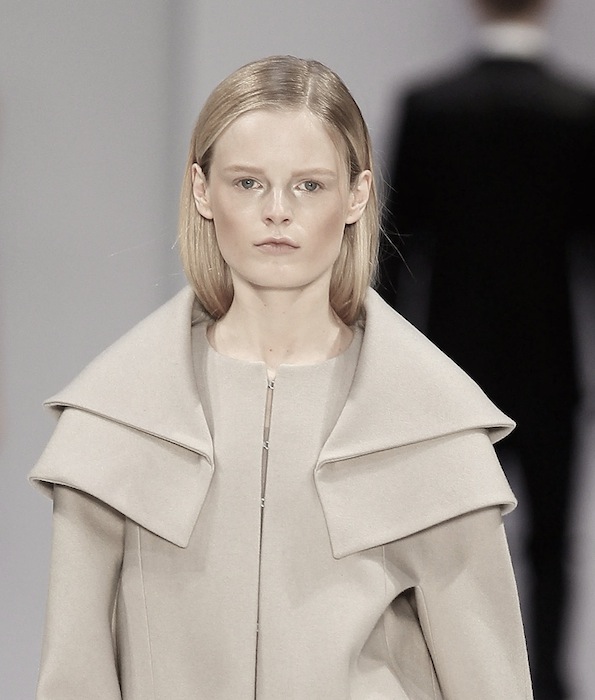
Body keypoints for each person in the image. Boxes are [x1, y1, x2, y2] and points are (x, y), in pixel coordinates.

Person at [30, 55, 533, 699]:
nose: (276, 211)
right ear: (201, 190)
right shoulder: (116, 423)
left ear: (356, 195)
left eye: (309, 185)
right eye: (247, 183)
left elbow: (490, 683)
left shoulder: (431, 428)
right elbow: (74, 677)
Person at [378, 2, 595, 698]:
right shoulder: (578, 111)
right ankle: (548, 685)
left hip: (453, 370)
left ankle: (451, 681)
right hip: (551, 365)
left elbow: (394, 258)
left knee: (448, 542)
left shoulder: (430, 107)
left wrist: (383, 374)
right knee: (550, 546)